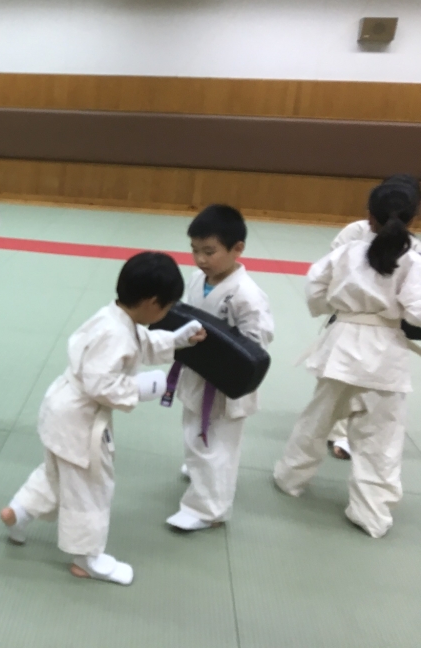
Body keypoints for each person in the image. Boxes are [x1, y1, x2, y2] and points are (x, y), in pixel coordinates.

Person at [0, 252, 205, 585]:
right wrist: (141, 387)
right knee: (92, 487)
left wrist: (178, 339)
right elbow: (101, 384)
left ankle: (19, 511)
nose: (165, 313)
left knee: (56, 473)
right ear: (152, 302)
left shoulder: (112, 317)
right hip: (80, 421)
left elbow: (140, 344)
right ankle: (86, 557)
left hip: (61, 410)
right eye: (166, 307)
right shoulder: (118, 334)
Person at [274, 182, 421, 538]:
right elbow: (418, 314)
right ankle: (371, 514)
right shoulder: (414, 260)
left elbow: (316, 290)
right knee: (381, 439)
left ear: (369, 218)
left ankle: (290, 478)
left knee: (317, 420)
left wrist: (339, 307)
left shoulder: (346, 253)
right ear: (414, 220)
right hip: (387, 356)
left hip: (341, 349)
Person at [164, 205, 274, 532]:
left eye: (209, 252)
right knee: (199, 431)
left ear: (237, 248)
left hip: (225, 380)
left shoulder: (247, 295)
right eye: (195, 251)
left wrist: (212, 342)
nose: (200, 259)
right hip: (198, 371)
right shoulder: (199, 279)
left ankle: (208, 509)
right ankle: (202, 472)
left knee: (217, 443)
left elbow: (257, 343)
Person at [324, 174, 420, 461]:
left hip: (391, 326)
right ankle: (340, 431)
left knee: (377, 390)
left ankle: (358, 436)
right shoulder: (354, 233)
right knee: (342, 380)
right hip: (352, 318)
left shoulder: (415, 248)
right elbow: (329, 273)